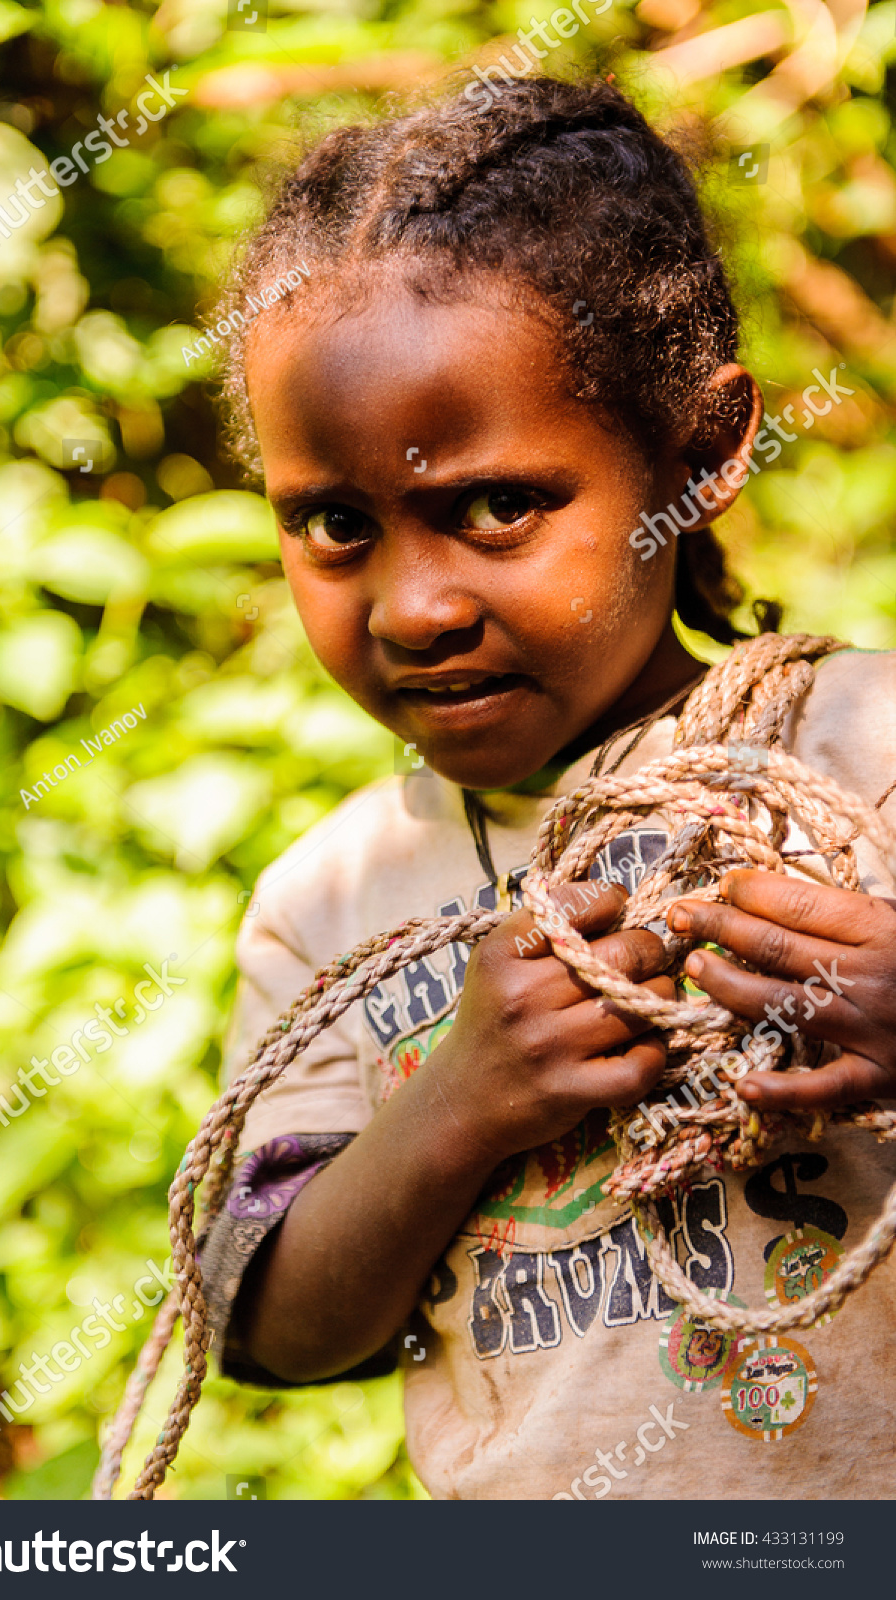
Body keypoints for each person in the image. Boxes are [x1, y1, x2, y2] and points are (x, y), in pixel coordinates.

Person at [200, 73, 896, 1499]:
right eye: (336, 526)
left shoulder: (864, 747)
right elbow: (269, 1325)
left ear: (699, 452)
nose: (414, 608)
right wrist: (455, 1102)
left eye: (499, 506)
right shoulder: (330, 904)